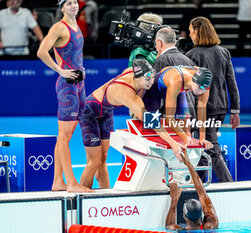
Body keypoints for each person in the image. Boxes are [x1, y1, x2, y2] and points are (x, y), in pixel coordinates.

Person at [79, 59, 186, 188]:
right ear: (137, 78)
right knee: (94, 161)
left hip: (106, 112)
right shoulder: (127, 95)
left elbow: (137, 64)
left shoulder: (132, 72)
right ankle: (82, 195)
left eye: (152, 77)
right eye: (147, 79)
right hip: (89, 112)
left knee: (103, 157)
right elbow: (153, 123)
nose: (151, 82)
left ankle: (105, 192)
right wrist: (173, 143)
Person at [37, 0, 91, 192]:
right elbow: (42, 52)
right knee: (64, 136)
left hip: (79, 85)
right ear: (62, 8)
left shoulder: (75, 25)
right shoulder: (59, 27)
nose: (73, 5)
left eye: (75, 2)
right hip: (67, 87)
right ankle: (71, 183)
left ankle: (58, 181)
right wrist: (60, 71)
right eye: (68, 3)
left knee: (65, 137)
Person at [186, 16, 240, 182]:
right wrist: (235, 110)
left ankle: (229, 186)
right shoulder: (223, 52)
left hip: (202, 110)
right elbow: (232, 83)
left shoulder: (191, 55)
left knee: (210, 147)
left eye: (191, 31)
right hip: (221, 108)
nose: (189, 35)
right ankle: (199, 186)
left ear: (197, 31)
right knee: (203, 148)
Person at [142, 65, 213, 150]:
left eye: (204, 89)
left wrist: (202, 138)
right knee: (150, 122)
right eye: (200, 88)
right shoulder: (176, 81)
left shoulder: (205, 84)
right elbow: (169, 118)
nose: (201, 92)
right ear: (193, 81)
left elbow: (202, 110)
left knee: (185, 125)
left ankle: (183, 154)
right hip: (157, 88)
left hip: (179, 90)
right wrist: (183, 137)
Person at [166, 151, 218, 230]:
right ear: (201, 214)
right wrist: (189, 164)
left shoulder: (179, 230)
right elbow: (203, 194)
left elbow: (169, 226)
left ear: (184, 215)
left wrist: (174, 200)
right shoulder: (210, 225)